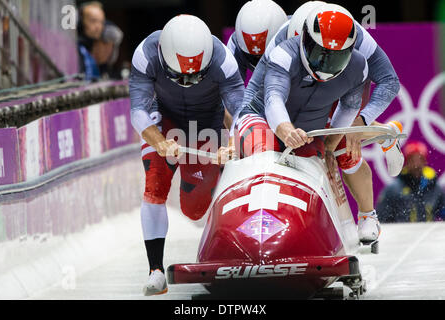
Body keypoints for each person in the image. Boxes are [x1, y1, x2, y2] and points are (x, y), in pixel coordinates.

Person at [235, 2, 403, 244]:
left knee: (344, 146)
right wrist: (241, 131)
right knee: (261, 147)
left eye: (333, 55)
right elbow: (261, 94)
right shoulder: (284, 44)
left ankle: (368, 215)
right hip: (285, 102)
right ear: (300, 39)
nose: (325, 62)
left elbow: (388, 81)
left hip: (328, 97)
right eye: (318, 52)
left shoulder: (358, 52)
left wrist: (356, 125)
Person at [129, 14, 244, 296]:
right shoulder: (145, 54)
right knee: (154, 185)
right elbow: (138, 110)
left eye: (195, 76)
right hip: (164, 119)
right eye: (179, 75)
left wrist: (233, 143)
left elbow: (241, 110)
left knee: (194, 209)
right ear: (164, 57)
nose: (187, 82)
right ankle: (155, 270)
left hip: (206, 127)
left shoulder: (223, 60)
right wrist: (157, 140)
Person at [377, 141, 445, 223]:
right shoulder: (393, 189)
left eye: (420, 159)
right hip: (402, 234)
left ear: (425, 162)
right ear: (406, 163)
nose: (416, 164)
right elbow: (382, 218)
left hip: (427, 234)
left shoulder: (435, 188)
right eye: (412, 160)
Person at [226, 0, 288, 82]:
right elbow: (233, 87)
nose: (260, 62)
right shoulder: (235, 45)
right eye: (254, 58)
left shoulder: (297, 34)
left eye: (264, 56)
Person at [77, 1, 105, 80]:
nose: (98, 26)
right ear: (80, 22)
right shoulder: (74, 49)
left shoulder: (89, 49)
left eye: (101, 22)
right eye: (93, 21)